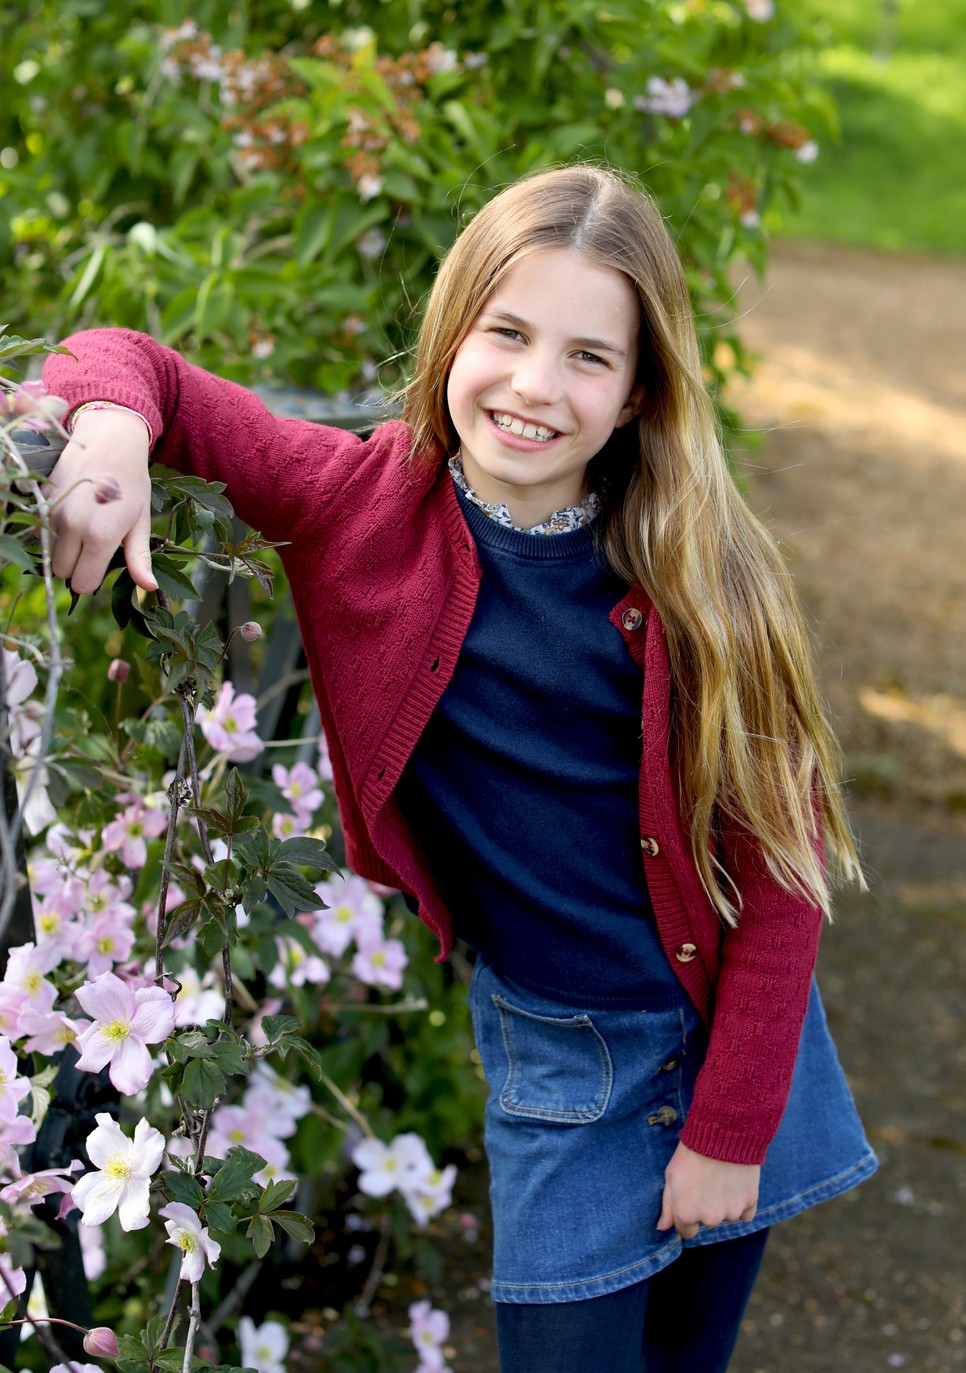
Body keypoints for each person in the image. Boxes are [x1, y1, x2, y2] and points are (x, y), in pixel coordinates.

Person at [42, 164, 876, 1373]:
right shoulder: (356, 503)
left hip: (735, 1032)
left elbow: (783, 867)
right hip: (560, 1055)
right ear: (453, 332)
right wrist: (114, 429)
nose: (535, 385)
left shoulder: (702, 573)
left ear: (639, 392)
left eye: (589, 357)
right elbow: (126, 359)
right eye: (509, 333)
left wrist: (731, 1125)